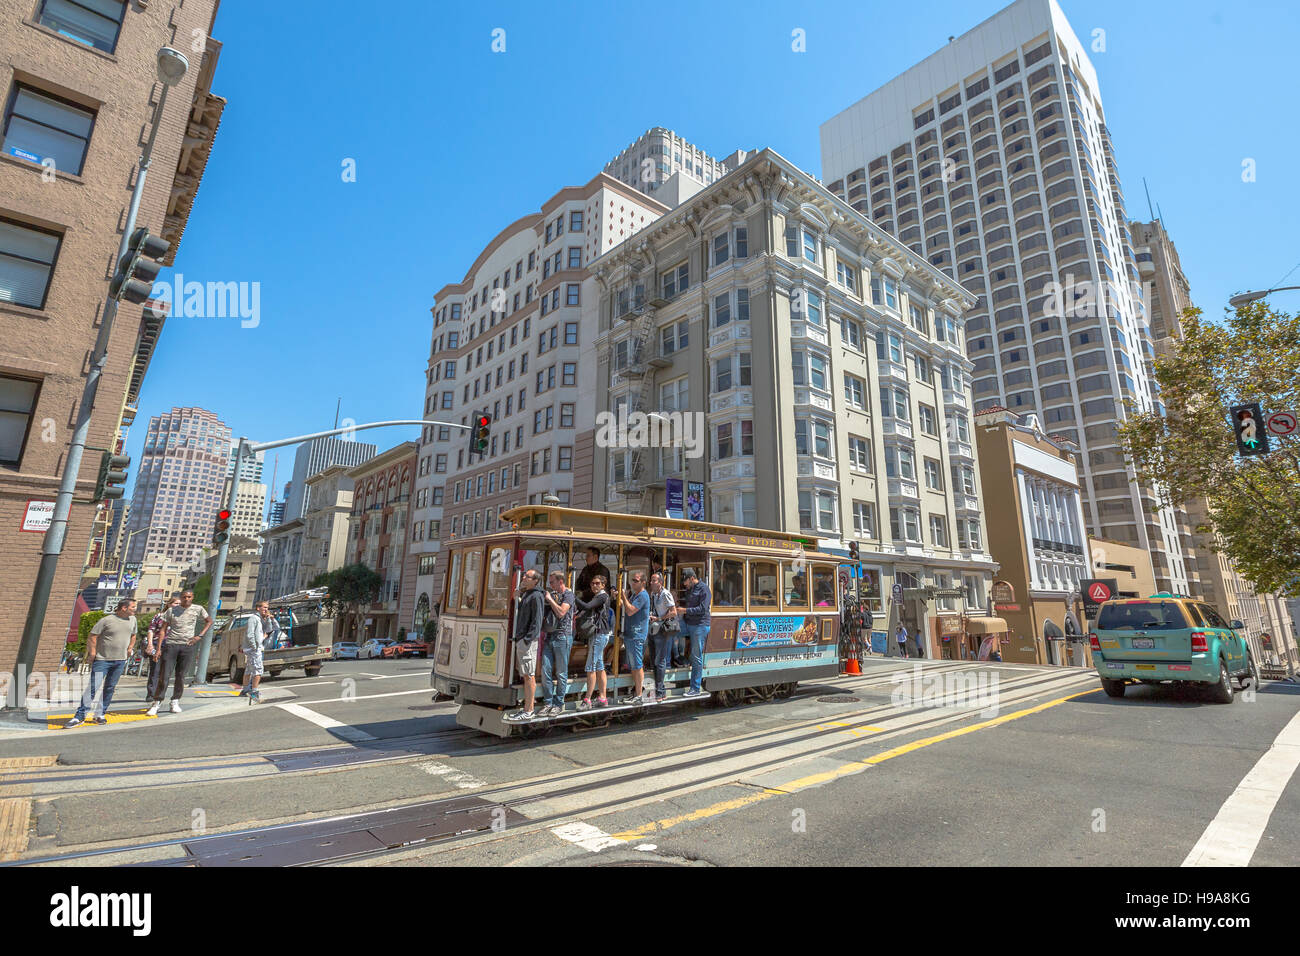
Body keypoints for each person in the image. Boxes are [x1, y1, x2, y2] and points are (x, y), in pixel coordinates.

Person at [65, 598, 137, 728]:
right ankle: (80, 716)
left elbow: (133, 635)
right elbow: (93, 636)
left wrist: (130, 647)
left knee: (110, 687)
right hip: (102, 660)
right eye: (133, 607)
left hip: (120, 660)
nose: (135, 609)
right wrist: (92, 653)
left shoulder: (133, 620)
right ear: (124, 608)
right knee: (93, 687)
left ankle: (100, 713)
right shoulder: (107, 620)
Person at [146, 590, 211, 717]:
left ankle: (175, 700)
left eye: (189, 597)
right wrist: (158, 649)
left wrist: (199, 636)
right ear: (181, 598)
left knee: (181, 675)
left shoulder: (198, 609)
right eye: (184, 597)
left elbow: (209, 621)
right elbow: (163, 630)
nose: (186, 599)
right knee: (164, 675)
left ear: (192, 597)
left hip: (187, 645)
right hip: (171, 644)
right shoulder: (171, 611)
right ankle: (157, 702)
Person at [504, 569, 544, 721]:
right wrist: (517, 599)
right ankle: (527, 708)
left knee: (529, 675)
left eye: (527, 576)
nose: (524, 577)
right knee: (526, 675)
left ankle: (529, 709)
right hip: (522, 639)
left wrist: (527, 640)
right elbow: (523, 614)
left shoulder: (537, 595)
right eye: (525, 575)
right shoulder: (527, 594)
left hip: (527, 641)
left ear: (535, 581)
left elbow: (537, 621)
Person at [538, 571, 575, 717]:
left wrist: (549, 599)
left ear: (560, 582)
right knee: (545, 669)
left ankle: (558, 703)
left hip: (563, 637)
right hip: (549, 636)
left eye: (552, 582)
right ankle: (548, 702)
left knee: (561, 672)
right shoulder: (553, 594)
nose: (550, 585)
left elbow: (561, 613)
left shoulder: (568, 595)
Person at [576, 575, 612, 709]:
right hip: (600, 634)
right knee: (599, 666)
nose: (594, 586)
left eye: (597, 583)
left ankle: (588, 699)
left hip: (598, 634)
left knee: (590, 667)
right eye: (592, 583)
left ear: (603, 585)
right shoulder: (600, 596)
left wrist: (572, 596)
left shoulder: (602, 597)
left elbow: (586, 606)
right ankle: (602, 698)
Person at [619, 571, 651, 704]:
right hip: (631, 634)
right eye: (632, 580)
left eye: (636, 580)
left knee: (637, 665)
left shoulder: (643, 596)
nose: (633, 583)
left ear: (643, 582)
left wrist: (624, 597)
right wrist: (620, 598)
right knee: (633, 665)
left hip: (637, 635)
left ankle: (639, 695)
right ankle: (636, 693)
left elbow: (630, 610)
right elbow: (626, 607)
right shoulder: (635, 595)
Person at [240, 601, 282, 704]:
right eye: (264, 607)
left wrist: (269, 618)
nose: (266, 609)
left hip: (255, 648)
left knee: (249, 669)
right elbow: (250, 634)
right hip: (254, 649)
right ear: (258, 608)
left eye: (267, 607)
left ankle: (245, 690)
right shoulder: (253, 619)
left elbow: (271, 629)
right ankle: (254, 691)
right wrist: (255, 646)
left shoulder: (260, 619)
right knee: (258, 670)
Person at [679, 568, 711, 697]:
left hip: (700, 625)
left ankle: (695, 688)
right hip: (689, 624)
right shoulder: (690, 589)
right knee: (670, 633)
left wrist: (685, 610)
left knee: (696, 656)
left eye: (686, 581)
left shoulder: (704, 589)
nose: (685, 584)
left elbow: (702, 608)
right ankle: (675, 658)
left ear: (692, 578)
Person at [647, 572, 679, 700]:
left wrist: (659, 618)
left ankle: (660, 691)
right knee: (653, 660)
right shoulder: (653, 594)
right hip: (654, 628)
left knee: (660, 661)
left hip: (662, 629)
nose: (651, 582)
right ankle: (659, 689)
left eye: (654, 580)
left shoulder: (666, 594)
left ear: (660, 582)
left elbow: (674, 612)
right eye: (651, 580)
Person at [143, 597, 178, 703]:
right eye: (176, 603)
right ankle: (151, 694)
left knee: (166, 672)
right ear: (169, 604)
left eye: (179, 604)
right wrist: (150, 645)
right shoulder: (159, 616)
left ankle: (160, 694)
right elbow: (151, 630)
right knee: (155, 670)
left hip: (171, 646)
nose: (177, 605)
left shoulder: (180, 617)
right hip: (157, 645)